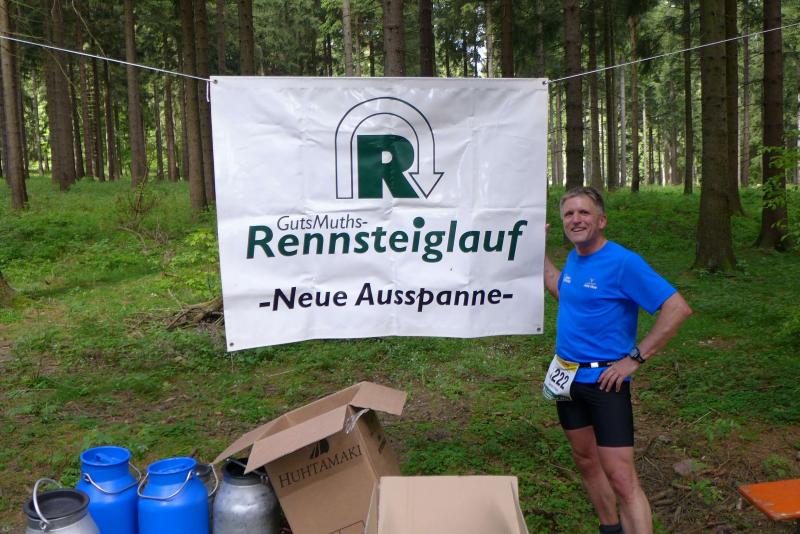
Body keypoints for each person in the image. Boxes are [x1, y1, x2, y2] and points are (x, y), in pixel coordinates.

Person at [543, 186, 692, 534]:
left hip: (604, 383)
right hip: (566, 378)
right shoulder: (575, 258)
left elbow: (677, 308)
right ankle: (610, 528)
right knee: (586, 461)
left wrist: (635, 358)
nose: (576, 219)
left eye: (584, 212)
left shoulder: (624, 263)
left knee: (622, 478)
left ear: (602, 220)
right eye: (569, 214)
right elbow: (563, 290)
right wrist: (537, 252)